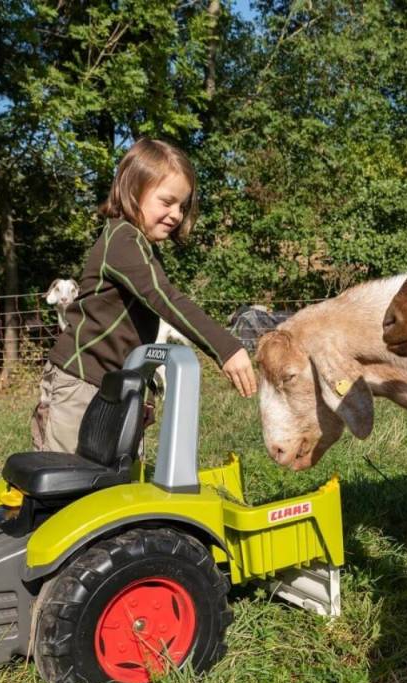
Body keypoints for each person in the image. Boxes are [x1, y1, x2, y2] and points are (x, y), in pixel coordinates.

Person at [31, 138, 256, 453]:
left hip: (116, 387)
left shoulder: (142, 249)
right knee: (66, 478)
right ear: (133, 189)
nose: (176, 214)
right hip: (79, 383)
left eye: (182, 206)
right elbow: (164, 298)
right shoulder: (122, 239)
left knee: (113, 482)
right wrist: (226, 347)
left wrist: (142, 391)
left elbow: (139, 335)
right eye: (167, 202)